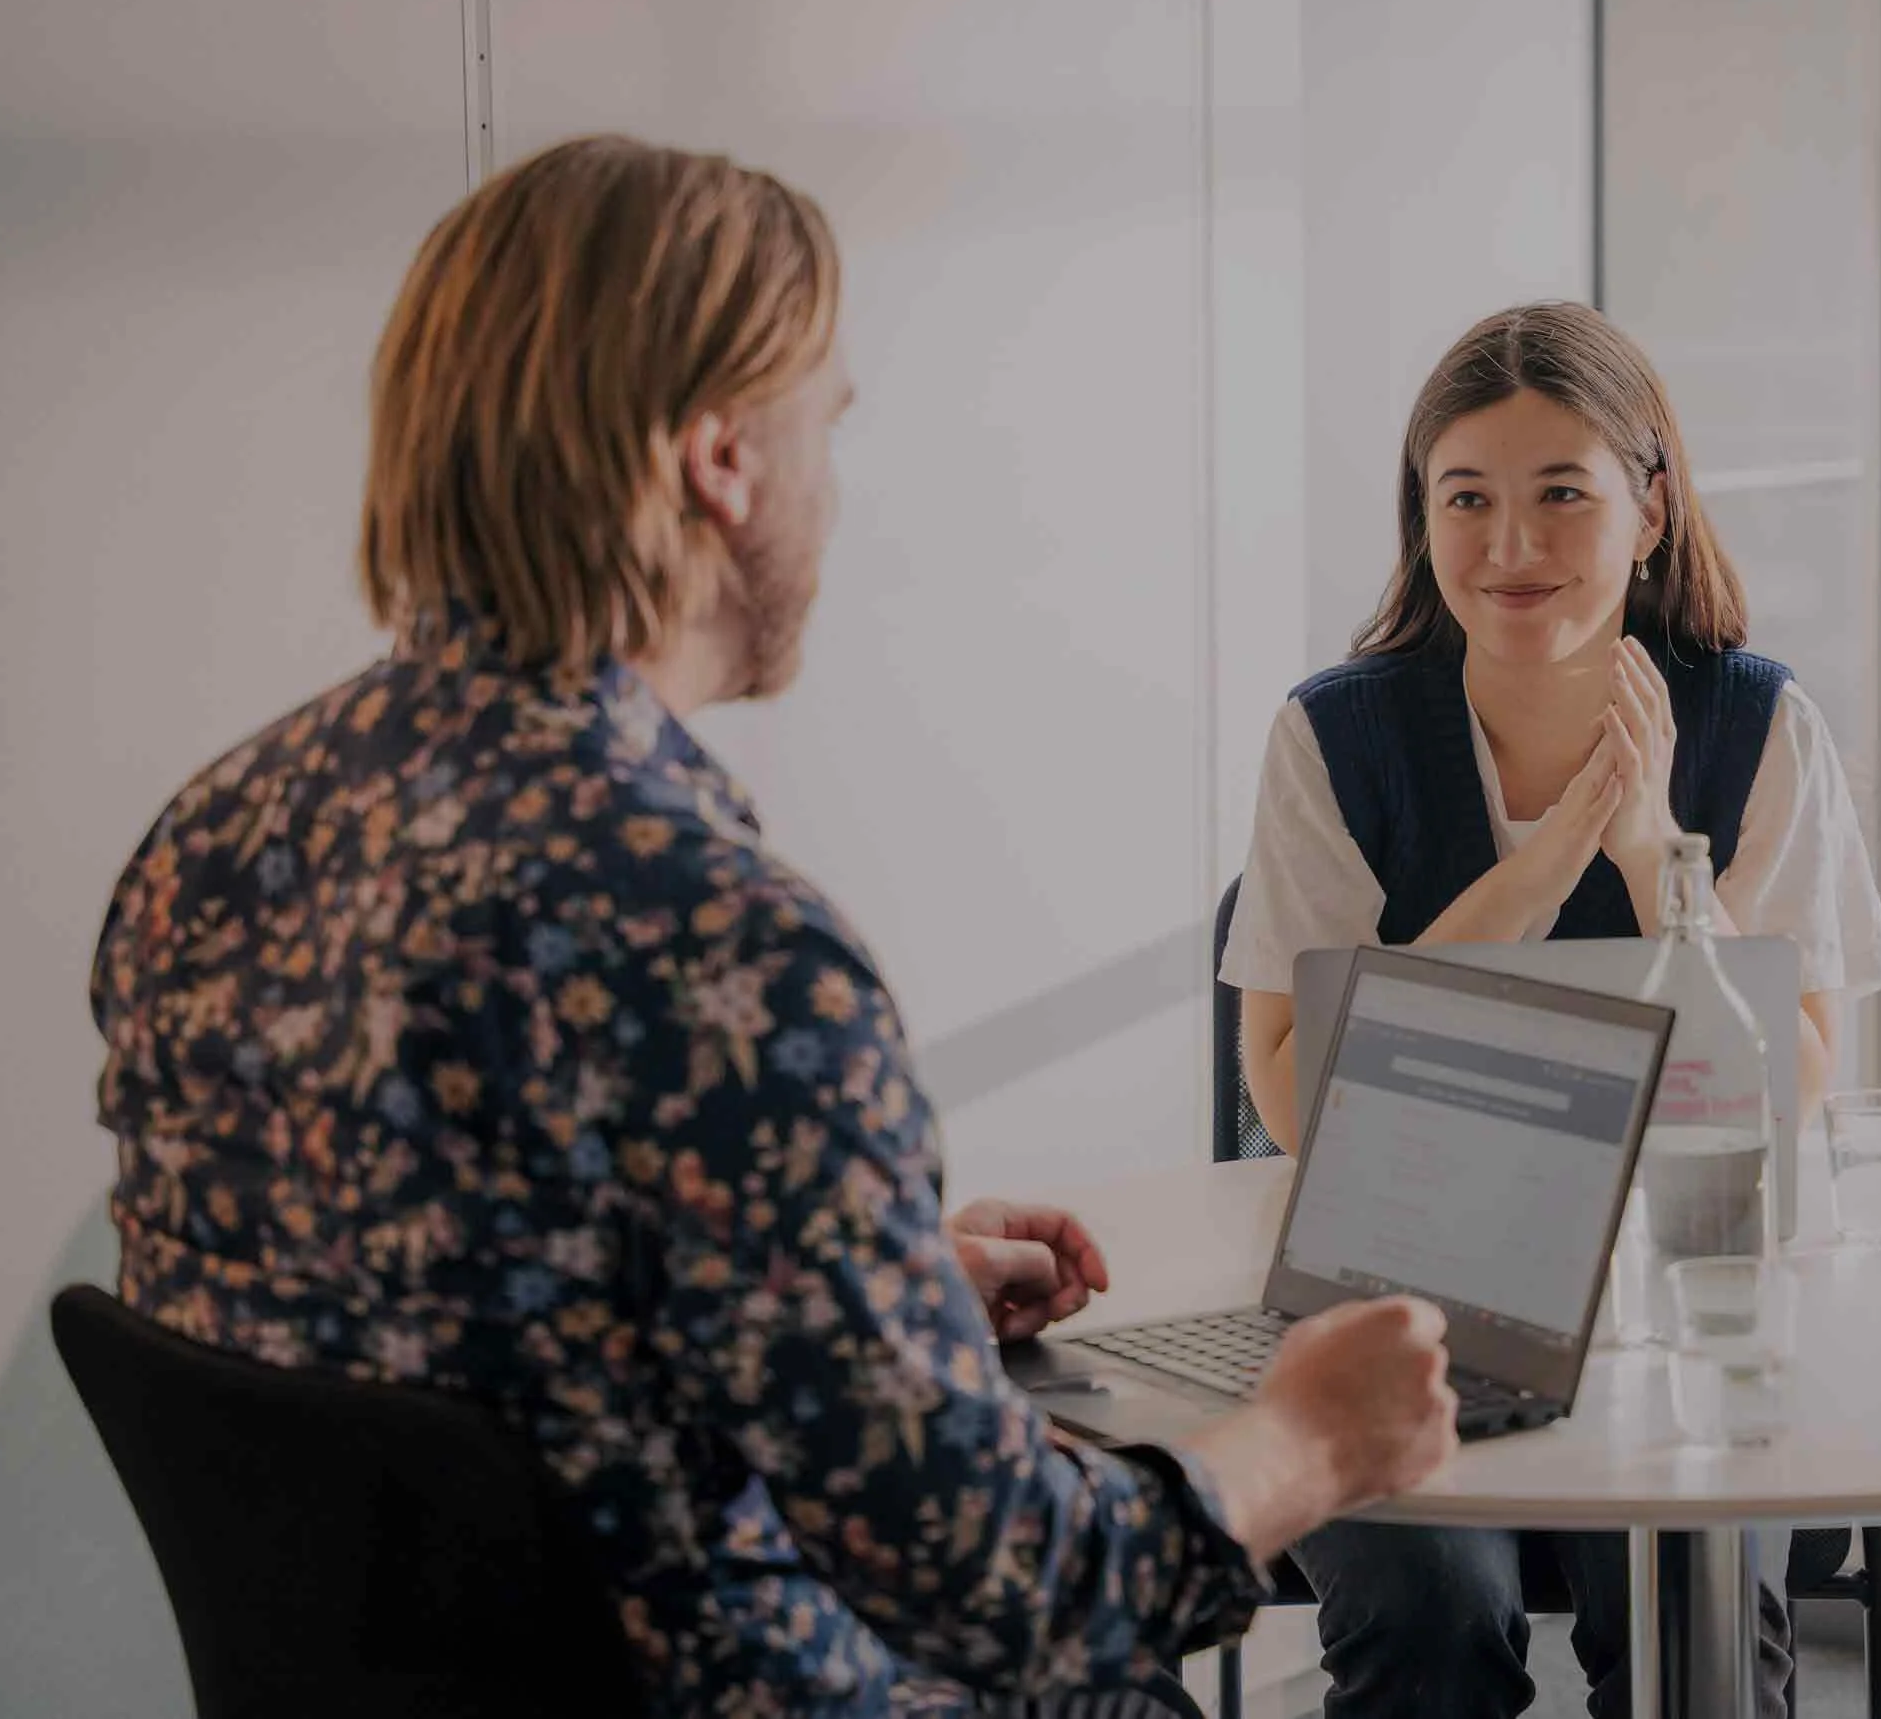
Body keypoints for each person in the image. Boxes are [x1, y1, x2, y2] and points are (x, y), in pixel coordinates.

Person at [86, 135, 1462, 1719]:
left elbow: (420, 1324)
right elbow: (1015, 1594)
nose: (834, 485)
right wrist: (1305, 1439)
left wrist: (849, 1292)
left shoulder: (216, 834)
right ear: (721, 457)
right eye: (831, 426)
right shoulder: (718, 946)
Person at [1219, 302, 1881, 1717]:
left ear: (1649, 510)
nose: (1509, 546)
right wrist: (1536, 868)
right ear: (1422, 515)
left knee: (1687, 1635)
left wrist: (1658, 857)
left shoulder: (1759, 723)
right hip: (1396, 1294)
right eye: (1465, 498)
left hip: (1684, 1307)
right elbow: (1293, 1094)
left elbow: (1797, 1086)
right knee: (1428, 1616)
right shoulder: (1333, 736)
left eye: (1561, 496)